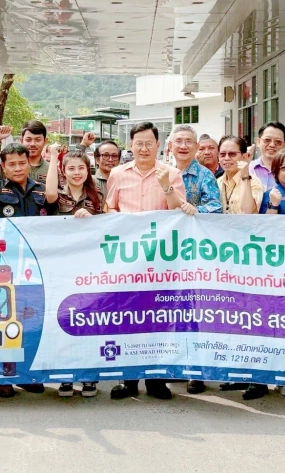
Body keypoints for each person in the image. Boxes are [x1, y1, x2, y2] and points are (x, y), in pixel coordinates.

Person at [223, 147, 285, 402]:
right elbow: (263, 230)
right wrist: (273, 205)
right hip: (275, 272)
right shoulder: (270, 195)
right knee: (270, 324)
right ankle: (261, 378)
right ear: (275, 172)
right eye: (284, 167)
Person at [105, 122, 186, 400]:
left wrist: (166, 187)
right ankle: (127, 380)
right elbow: (110, 207)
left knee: (158, 316)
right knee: (127, 315)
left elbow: (178, 212)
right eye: (138, 143)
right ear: (131, 145)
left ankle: (156, 380)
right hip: (127, 257)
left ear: (158, 145)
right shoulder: (118, 173)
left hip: (160, 258)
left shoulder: (171, 173)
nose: (143, 148)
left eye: (149, 143)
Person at [0, 143, 57, 398]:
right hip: (4, 267)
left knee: (30, 320)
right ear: (3, 167)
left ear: (29, 163)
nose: (17, 168)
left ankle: (26, 375)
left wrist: (54, 157)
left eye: (22, 163)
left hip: (34, 268)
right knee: (2, 320)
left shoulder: (40, 190)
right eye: (11, 164)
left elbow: (53, 201)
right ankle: (3, 377)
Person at [45, 145, 103, 398]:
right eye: (71, 168)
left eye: (81, 168)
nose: (76, 172)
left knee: (89, 321)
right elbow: (48, 195)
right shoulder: (57, 195)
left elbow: (112, 224)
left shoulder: (99, 194)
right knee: (63, 320)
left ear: (88, 170)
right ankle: (65, 377)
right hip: (62, 268)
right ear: (63, 171)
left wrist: (93, 218)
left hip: (91, 268)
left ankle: (89, 377)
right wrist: (52, 158)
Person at [169, 125, 222, 215]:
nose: (183, 146)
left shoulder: (205, 175)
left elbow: (216, 206)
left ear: (197, 147)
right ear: (170, 146)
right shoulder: (166, 173)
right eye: (178, 141)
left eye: (188, 142)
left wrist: (197, 210)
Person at [216, 135, 264, 215]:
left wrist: (245, 177)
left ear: (244, 156)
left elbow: (247, 212)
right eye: (222, 154)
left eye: (232, 154)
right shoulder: (217, 182)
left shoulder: (254, 182)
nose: (226, 158)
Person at [249, 122, 285, 191]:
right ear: (258, 142)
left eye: (278, 142)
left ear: (284, 145)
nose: (272, 145)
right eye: (267, 140)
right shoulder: (248, 169)